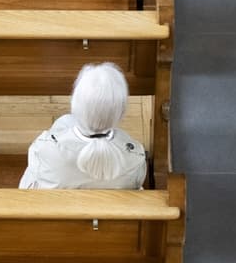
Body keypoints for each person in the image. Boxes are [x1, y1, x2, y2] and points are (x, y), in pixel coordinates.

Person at [19, 62, 147, 189]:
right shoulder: (135, 155)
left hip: (57, 207)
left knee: (64, 121)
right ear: (122, 112)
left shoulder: (45, 148)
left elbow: (27, 188)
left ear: (74, 104)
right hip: (111, 208)